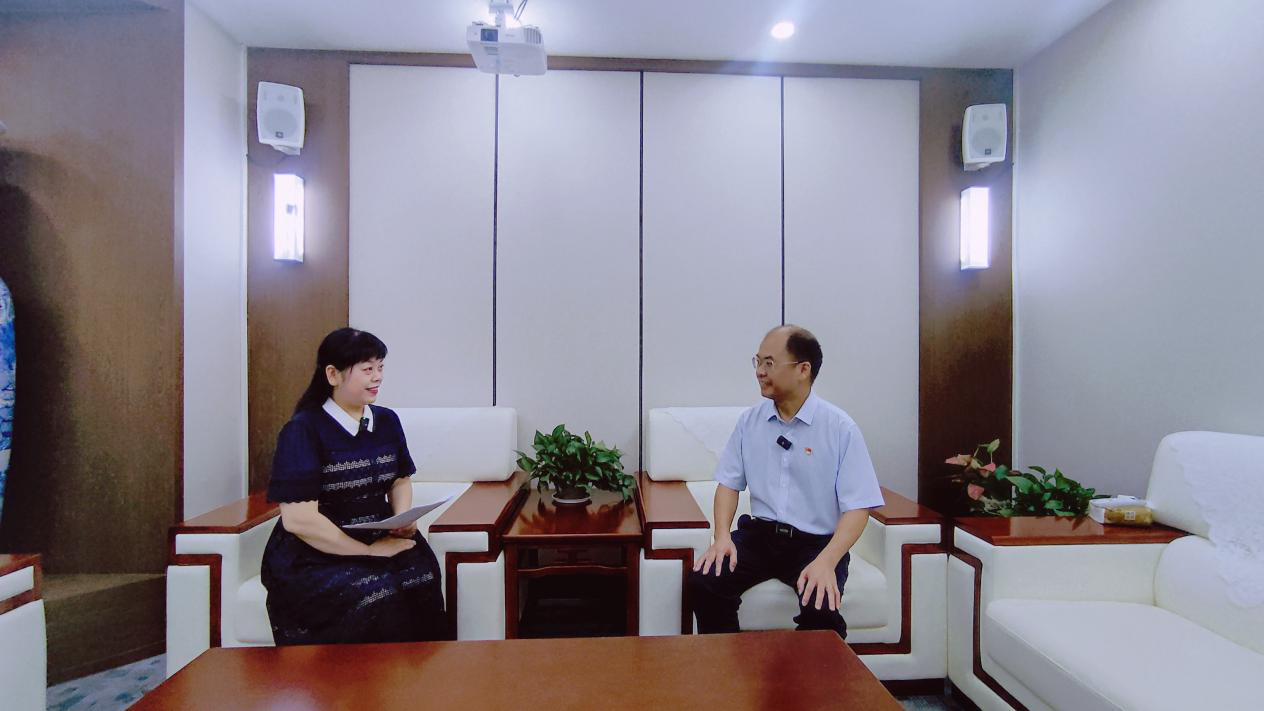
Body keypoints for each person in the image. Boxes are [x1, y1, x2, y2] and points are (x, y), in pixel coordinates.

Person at [687, 324, 885, 639]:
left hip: (816, 544)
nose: (760, 372)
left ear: (803, 369)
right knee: (705, 581)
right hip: (761, 537)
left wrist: (827, 562)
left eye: (769, 363)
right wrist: (721, 536)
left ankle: (806, 671)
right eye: (758, 362)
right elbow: (728, 484)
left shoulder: (839, 428)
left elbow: (858, 507)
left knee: (821, 608)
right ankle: (729, 663)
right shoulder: (750, 422)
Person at [260, 327, 447, 645]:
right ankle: (361, 677)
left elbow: (400, 479)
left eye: (380, 367)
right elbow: (299, 521)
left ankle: (419, 675)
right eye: (367, 369)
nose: (377, 377)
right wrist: (368, 552)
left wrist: (401, 519)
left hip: (377, 535)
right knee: (377, 593)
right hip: (315, 553)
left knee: (422, 576)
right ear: (333, 374)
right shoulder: (302, 430)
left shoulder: (387, 421)